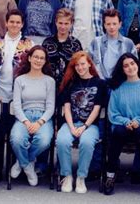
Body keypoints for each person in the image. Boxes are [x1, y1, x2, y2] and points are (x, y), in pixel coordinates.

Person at [0, 9, 33, 176]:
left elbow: (30, 71)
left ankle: (13, 170)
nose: (14, 25)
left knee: (15, 134)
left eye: (18, 22)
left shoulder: (29, 44)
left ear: (22, 24)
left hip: (18, 97)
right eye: (11, 21)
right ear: (6, 23)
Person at [104, 53, 140, 196]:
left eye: (132, 63)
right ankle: (110, 175)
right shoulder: (117, 88)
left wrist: (138, 121)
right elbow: (113, 113)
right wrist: (126, 122)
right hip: (123, 125)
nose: (130, 67)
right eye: (126, 65)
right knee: (117, 133)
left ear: (138, 64)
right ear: (122, 69)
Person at [56, 51, 108, 193]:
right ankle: (67, 175)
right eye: (77, 65)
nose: (80, 67)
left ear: (89, 64)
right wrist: (72, 127)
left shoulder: (100, 84)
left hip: (90, 125)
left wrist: (85, 126)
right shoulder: (70, 84)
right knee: (62, 140)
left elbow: (96, 109)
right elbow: (66, 107)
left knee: (86, 142)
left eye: (83, 64)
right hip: (71, 123)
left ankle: (81, 177)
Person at [9, 46, 56, 186]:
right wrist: (26, 122)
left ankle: (23, 161)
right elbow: (16, 105)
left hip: (43, 117)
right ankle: (28, 166)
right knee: (16, 139)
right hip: (24, 116)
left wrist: (39, 123)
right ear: (29, 58)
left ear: (45, 61)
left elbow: (50, 107)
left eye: (42, 58)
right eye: (36, 57)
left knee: (44, 140)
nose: (38, 60)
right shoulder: (19, 80)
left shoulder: (49, 81)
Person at [89, 8, 137, 80]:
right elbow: (89, 65)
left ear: (120, 24)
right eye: (108, 24)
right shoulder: (96, 42)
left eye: (114, 24)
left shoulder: (128, 43)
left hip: (121, 83)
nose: (111, 27)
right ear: (104, 25)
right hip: (100, 83)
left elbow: (135, 66)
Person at [42, 8, 83, 87]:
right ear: (56, 22)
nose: (63, 26)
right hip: (48, 85)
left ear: (71, 24)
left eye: (66, 23)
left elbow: (79, 66)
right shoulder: (47, 42)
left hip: (69, 86)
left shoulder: (76, 44)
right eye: (60, 23)